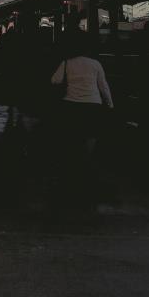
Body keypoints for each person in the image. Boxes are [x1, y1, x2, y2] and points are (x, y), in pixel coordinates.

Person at [48, 32, 114, 209]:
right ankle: (87, 162)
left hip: (71, 105)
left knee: (73, 136)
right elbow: (103, 86)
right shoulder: (95, 64)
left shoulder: (67, 62)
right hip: (93, 105)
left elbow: (55, 81)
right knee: (91, 135)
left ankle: (75, 166)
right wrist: (110, 104)